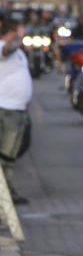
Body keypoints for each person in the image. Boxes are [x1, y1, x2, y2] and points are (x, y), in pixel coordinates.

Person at [0, 19, 33, 204]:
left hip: (18, 109)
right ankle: (4, 194)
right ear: (14, 30)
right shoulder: (3, 46)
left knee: (11, 154)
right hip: (6, 109)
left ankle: (8, 190)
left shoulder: (19, 50)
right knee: (4, 154)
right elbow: (6, 51)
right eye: (21, 28)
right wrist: (16, 39)